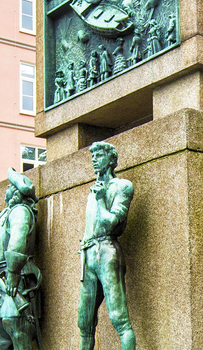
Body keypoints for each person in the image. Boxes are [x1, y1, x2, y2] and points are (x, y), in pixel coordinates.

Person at [78, 141, 136, 350]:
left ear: (111, 159)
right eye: (92, 156)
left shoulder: (122, 186)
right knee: (84, 322)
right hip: (88, 255)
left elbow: (110, 223)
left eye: (99, 155)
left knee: (119, 317)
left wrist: (101, 200)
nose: (94, 159)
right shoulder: (93, 191)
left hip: (107, 252)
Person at [0, 168, 42, 350]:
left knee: (18, 330)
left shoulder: (20, 211)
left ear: (17, 192)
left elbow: (17, 241)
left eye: (10, 186)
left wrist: (13, 273)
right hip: (0, 281)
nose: (6, 190)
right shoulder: (6, 214)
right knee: (0, 338)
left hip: (15, 279)